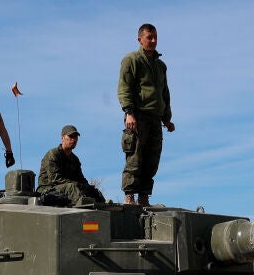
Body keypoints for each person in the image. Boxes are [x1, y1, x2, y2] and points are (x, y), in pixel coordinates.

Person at [118, 23, 174, 206]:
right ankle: (129, 196)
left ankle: (144, 196)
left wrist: (167, 118)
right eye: (149, 37)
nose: (153, 41)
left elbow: (164, 93)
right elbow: (124, 87)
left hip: (155, 118)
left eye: (155, 37)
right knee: (135, 157)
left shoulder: (160, 66)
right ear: (140, 39)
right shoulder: (131, 60)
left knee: (152, 159)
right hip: (138, 116)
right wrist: (129, 112)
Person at [38, 125, 106, 206]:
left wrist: (87, 187)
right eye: (70, 136)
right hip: (48, 189)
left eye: (75, 137)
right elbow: (55, 179)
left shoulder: (74, 159)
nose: (74, 139)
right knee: (71, 187)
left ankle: (104, 205)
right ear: (62, 138)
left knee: (90, 189)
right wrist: (77, 184)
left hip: (66, 188)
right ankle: (84, 205)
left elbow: (81, 179)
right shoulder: (53, 154)